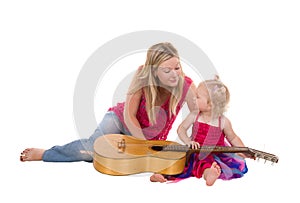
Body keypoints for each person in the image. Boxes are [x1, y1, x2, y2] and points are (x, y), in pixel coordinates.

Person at [20, 42, 198, 163]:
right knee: (92, 150)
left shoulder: (186, 85)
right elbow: (129, 116)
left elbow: (198, 114)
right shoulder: (142, 76)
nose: (175, 74)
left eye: (177, 67)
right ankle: (45, 154)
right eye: (167, 70)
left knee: (119, 159)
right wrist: (143, 144)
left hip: (146, 138)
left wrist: (194, 141)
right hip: (119, 120)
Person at [150, 76, 249, 186]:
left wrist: (243, 150)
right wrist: (188, 141)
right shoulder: (195, 115)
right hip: (194, 151)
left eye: (197, 97)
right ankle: (160, 174)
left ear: (210, 104)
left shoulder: (223, 122)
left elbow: (233, 138)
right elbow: (181, 129)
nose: (194, 98)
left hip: (214, 153)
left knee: (206, 164)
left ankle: (210, 174)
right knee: (178, 161)